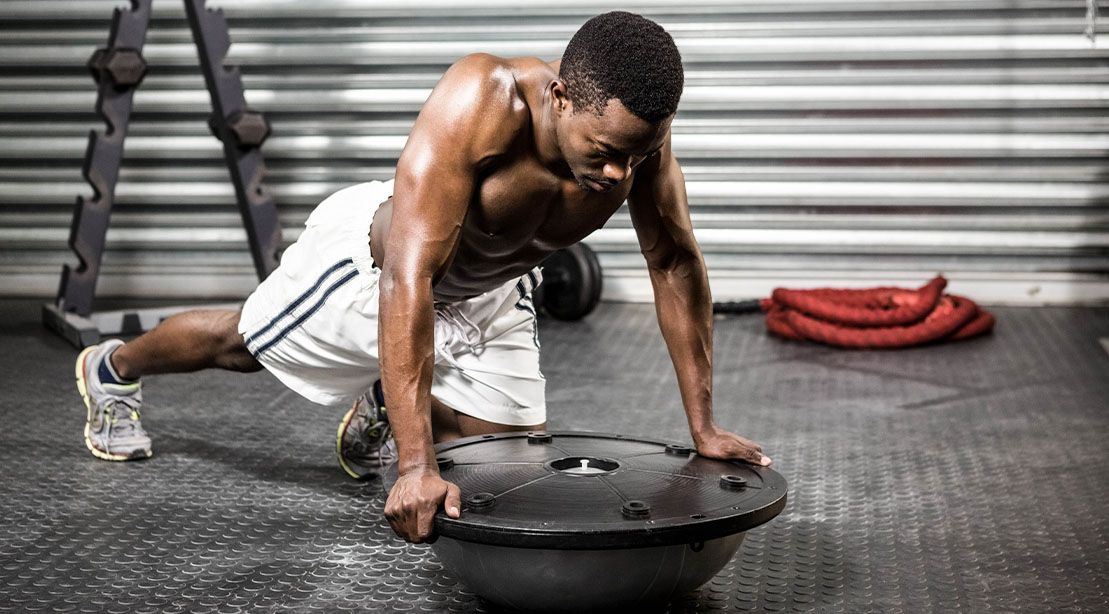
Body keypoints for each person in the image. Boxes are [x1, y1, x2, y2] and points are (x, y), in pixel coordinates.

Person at [73, 11, 772, 544]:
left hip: (490, 291)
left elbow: (674, 262)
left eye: (638, 154)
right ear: (560, 97)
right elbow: (406, 279)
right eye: (607, 152)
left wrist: (703, 425)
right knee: (240, 345)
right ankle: (115, 368)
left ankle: (391, 395)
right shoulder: (482, 99)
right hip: (373, 266)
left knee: (504, 471)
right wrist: (414, 466)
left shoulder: (635, 138)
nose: (620, 175)